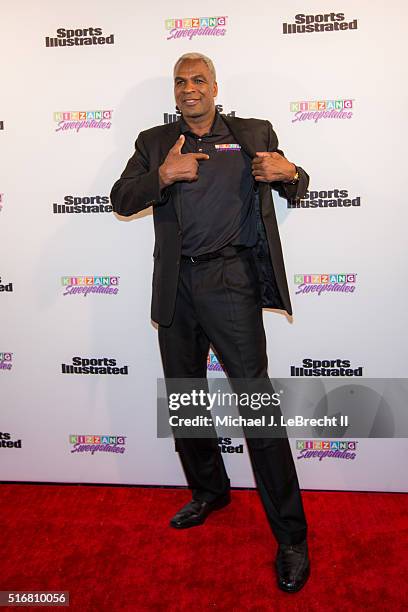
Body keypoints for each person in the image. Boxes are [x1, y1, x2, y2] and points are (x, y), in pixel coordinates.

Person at [110, 52, 310, 593]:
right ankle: (210, 491)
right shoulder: (154, 142)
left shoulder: (250, 133)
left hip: (231, 282)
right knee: (187, 398)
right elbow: (120, 198)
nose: (189, 88)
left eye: (198, 80)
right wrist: (162, 175)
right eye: (181, 82)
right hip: (176, 286)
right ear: (174, 92)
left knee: (257, 408)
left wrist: (290, 172)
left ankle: (291, 537)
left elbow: (297, 181)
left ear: (215, 86)